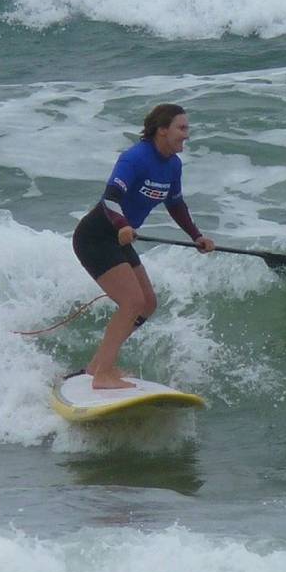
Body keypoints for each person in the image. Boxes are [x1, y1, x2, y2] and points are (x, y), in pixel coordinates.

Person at [72, 103, 215, 388]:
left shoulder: (173, 165)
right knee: (132, 302)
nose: (187, 134)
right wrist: (123, 224)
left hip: (119, 238)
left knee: (147, 304)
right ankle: (103, 375)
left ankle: (98, 364)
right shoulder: (135, 158)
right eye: (181, 128)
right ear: (162, 130)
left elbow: (175, 203)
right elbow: (110, 198)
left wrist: (196, 236)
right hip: (95, 236)